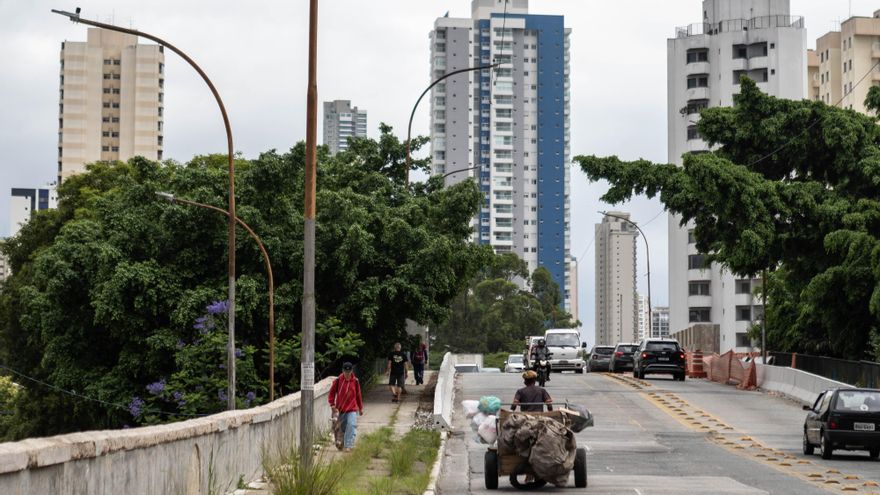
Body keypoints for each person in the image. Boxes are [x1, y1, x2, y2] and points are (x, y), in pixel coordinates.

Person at [328, 362, 364, 452]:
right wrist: (332, 404)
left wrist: (360, 408)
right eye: (345, 372)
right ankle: (342, 443)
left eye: (349, 372)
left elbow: (358, 395)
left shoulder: (355, 381)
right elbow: (331, 393)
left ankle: (348, 445)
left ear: (352, 371)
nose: (347, 374)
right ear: (342, 371)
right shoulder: (338, 380)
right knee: (343, 428)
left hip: (352, 408)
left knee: (351, 425)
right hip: (340, 409)